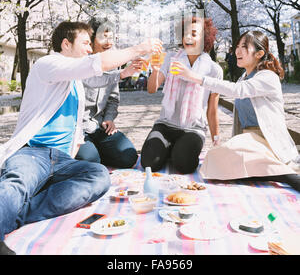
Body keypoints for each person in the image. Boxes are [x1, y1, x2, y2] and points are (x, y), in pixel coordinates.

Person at [0, 21, 162, 255]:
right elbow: (93, 65)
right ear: (66, 44)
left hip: (63, 158)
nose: (89, 48)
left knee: (99, 176)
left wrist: (124, 73)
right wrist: (139, 48)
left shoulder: (74, 79)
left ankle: (18, 215)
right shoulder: (48, 64)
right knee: (17, 182)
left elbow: (96, 78)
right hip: (33, 151)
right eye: (85, 43)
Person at [171, 30, 300, 192]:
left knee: (227, 156)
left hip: (268, 140)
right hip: (250, 140)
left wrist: (195, 77)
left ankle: (285, 175)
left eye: (244, 47)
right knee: (215, 157)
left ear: (259, 53)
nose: (238, 50)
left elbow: (237, 90)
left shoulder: (268, 77)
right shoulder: (244, 77)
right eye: (237, 46)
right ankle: (266, 170)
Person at [140, 16, 223, 174]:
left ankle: (177, 148)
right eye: (185, 34)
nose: (188, 38)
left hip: (193, 129)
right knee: (149, 163)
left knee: (184, 165)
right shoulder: (171, 59)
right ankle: (169, 146)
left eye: (193, 34)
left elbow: (212, 110)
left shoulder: (214, 69)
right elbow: (151, 89)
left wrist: (216, 140)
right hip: (165, 125)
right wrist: (156, 69)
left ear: (204, 38)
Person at [76, 18, 140, 168]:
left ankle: (96, 151)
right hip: (79, 128)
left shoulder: (112, 64)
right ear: (91, 39)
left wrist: (109, 118)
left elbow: (113, 98)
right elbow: (90, 80)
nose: (108, 42)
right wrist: (123, 73)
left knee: (129, 157)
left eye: (110, 37)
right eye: (103, 37)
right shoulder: (81, 62)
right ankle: (90, 153)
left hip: (99, 126)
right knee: (90, 162)